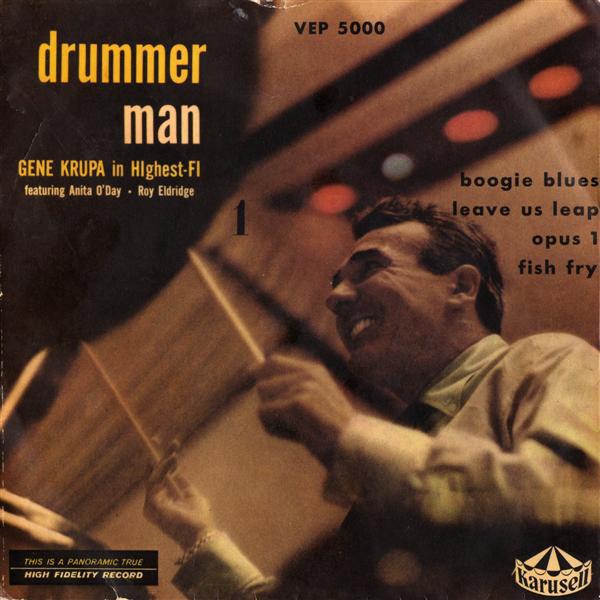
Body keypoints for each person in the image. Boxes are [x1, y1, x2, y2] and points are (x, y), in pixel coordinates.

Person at [145, 197, 599, 599]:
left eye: (369, 269)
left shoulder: (548, 358)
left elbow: (574, 500)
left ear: (461, 286)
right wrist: (199, 537)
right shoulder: (385, 475)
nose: (335, 297)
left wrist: (349, 434)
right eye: (337, 281)